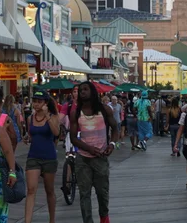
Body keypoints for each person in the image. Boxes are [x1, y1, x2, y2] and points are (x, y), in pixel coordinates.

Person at [70, 81, 118, 223]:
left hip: (101, 158)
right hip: (83, 159)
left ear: (92, 92)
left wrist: (112, 144)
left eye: (85, 89)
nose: (82, 92)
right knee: (84, 194)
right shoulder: (76, 113)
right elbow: (73, 138)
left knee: (102, 193)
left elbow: (115, 129)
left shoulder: (104, 110)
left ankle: (104, 216)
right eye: (80, 90)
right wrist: (89, 148)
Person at [24, 91, 60, 223]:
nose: (36, 104)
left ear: (46, 103)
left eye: (39, 101)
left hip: (49, 156)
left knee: (49, 190)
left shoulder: (53, 116)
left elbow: (56, 132)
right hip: (33, 156)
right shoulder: (30, 118)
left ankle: (52, 219)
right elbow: (31, 134)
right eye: (35, 101)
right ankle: (27, 221)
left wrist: (47, 116)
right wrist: (27, 138)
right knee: (31, 189)